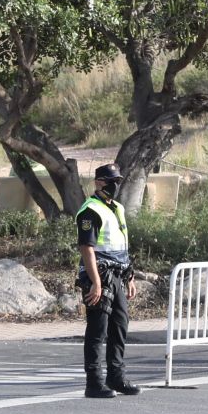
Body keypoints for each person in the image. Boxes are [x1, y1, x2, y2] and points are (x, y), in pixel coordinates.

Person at [76, 164, 140, 400]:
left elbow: (122, 245)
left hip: (117, 274)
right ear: (98, 182)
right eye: (109, 180)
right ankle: (94, 382)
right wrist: (95, 283)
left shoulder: (117, 209)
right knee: (97, 330)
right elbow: (87, 249)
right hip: (99, 275)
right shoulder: (89, 210)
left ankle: (116, 376)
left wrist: (130, 276)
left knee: (119, 326)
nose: (114, 185)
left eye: (117, 180)